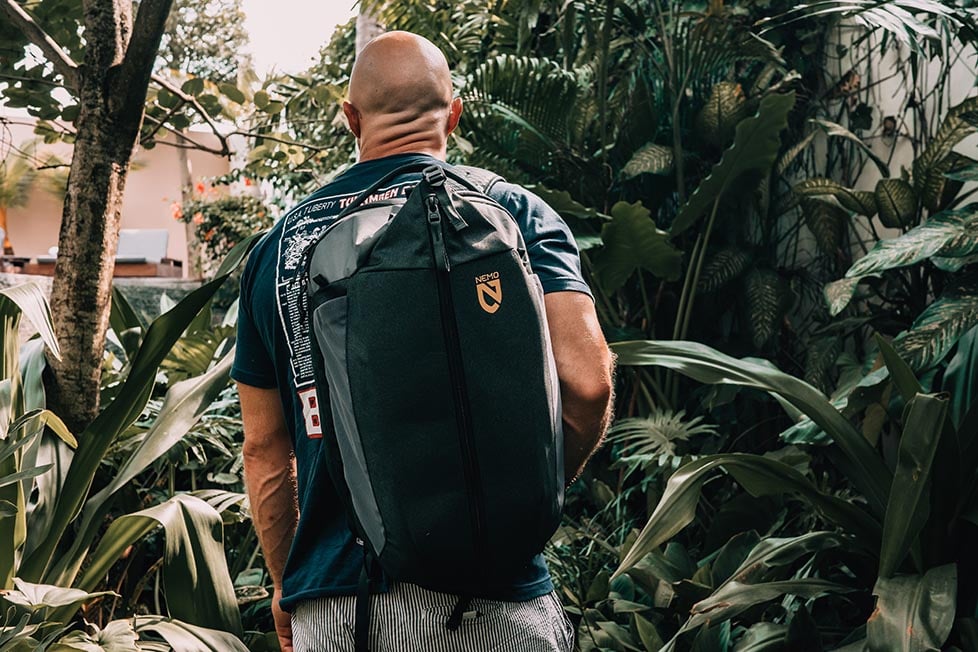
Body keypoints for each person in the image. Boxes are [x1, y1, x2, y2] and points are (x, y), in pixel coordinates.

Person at [234, 30, 614, 652]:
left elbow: (265, 451)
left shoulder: (279, 250)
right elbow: (588, 383)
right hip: (498, 598)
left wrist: (287, 587)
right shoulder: (512, 212)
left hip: (339, 608)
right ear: (455, 112)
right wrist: (518, 491)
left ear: (350, 118)